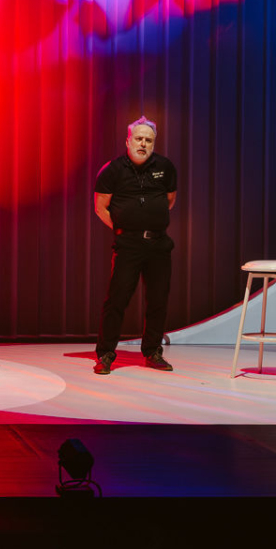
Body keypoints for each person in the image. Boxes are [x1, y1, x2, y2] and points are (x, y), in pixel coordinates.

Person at [93, 117, 177, 373]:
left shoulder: (166, 167)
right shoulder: (112, 170)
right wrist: (125, 229)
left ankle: (152, 351)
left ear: (154, 143)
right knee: (117, 300)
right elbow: (100, 208)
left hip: (158, 244)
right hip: (127, 245)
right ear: (128, 141)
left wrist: (150, 222)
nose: (143, 143)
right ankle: (105, 354)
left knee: (158, 300)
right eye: (138, 139)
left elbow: (169, 201)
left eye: (148, 140)